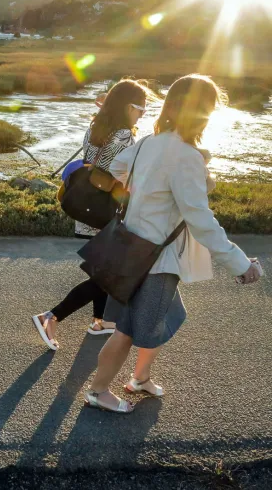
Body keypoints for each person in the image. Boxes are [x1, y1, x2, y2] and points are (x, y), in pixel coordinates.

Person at [85, 74, 263, 413]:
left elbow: (120, 166)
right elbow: (200, 220)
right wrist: (241, 265)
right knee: (126, 329)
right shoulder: (185, 155)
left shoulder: (151, 142)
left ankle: (140, 378)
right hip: (155, 259)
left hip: (132, 247)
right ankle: (97, 390)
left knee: (165, 315)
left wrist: (148, 191)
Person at [32, 79, 154, 350]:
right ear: (125, 106)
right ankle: (51, 316)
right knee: (107, 274)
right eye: (139, 108)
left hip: (90, 205)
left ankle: (100, 321)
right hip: (109, 209)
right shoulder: (123, 135)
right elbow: (123, 173)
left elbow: (94, 163)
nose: (142, 113)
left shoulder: (95, 127)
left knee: (104, 268)